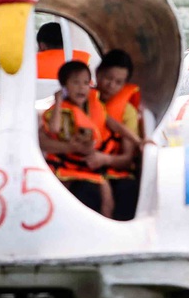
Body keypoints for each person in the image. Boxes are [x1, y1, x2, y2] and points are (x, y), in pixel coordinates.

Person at [40, 60, 132, 219]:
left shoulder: (97, 107)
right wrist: (59, 100)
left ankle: (107, 233)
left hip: (94, 164)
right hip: (67, 164)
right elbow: (52, 130)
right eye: (75, 83)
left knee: (107, 198)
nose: (81, 87)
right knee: (63, 194)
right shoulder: (62, 110)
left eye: (85, 83)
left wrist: (139, 141)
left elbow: (118, 129)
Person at [89, 49, 144, 221]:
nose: (111, 85)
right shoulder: (82, 100)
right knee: (86, 191)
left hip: (116, 171)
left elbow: (127, 158)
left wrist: (104, 160)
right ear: (97, 74)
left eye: (118, 82)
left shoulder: (127, 112)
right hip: (84, 169)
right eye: (107, 78)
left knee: (128, 190)